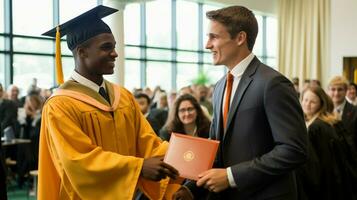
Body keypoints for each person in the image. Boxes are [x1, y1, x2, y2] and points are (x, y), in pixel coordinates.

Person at [39, 6, 178, 200]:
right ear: (82, 52)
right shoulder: (60, 105)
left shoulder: (123, 96)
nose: (115, 54)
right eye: (106, 47)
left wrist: (183, 156)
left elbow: (148, 143)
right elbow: (77, 161)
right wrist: (138, 168)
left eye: (114, 46)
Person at [174, 6, 307, 199]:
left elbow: (294, 150)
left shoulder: (272, 83)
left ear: (240, 38)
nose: (207, 45)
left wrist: (230, 176)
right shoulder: (219, 87)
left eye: (214, 37)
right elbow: (215, 149)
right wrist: (191, 188)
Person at [297, 86, 349, 199]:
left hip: (323, 185)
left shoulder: (317, 127)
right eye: (305, 100)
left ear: (321, 103)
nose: (307, 104)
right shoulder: (326, 121)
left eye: (313, 102)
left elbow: (316, 165)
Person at [327, 76, 357, 151]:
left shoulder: (355, 111)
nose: (336, 93)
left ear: (346, 91)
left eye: (340, 89)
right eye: (333, 89)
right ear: (328, 91)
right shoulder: (323, 111)